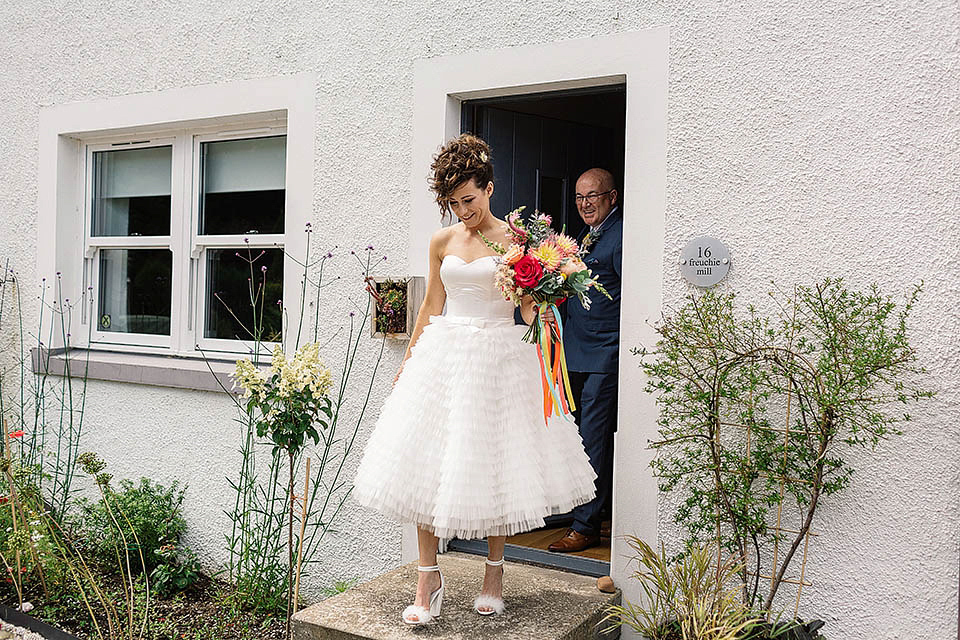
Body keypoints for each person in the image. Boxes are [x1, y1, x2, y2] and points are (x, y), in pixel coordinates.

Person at [352, 134, 597, 625]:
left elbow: (526, 311)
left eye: (468, 199)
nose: (461, 210)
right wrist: (412, 357)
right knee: (422, 462)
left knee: (493, 463)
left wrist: (544, 307)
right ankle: (427, 577)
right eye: (452, 202)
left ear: (489, 188)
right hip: (443, 356)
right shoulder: (441, 241)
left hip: (498, 360)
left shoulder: (518, 242)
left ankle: (493, 571)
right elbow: (431, 304)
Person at [547, 168, 621, 554]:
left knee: (592, 441)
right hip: (574, 352)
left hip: (603, 356)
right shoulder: (587, 237)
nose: (585, 203)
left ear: (612, 197)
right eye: (579, 197)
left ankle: (586, 526)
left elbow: (629, 296)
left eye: (593, 195)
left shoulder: (621, 235)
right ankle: (596, 513)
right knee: (574, 439)